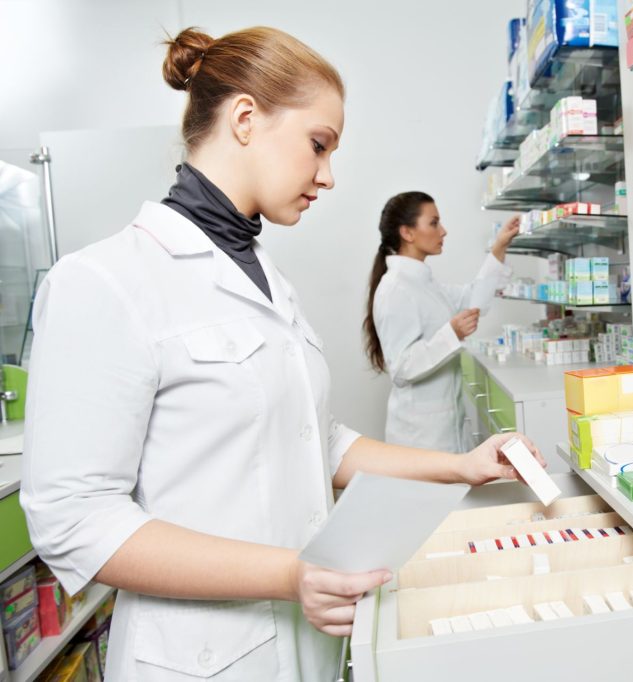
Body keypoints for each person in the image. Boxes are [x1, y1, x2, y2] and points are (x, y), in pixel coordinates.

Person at [20, 26, 543, 681]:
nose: (328, 176)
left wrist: (461, 466)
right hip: (202, 659)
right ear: (245, 118)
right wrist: (289, 573)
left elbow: (318, 441)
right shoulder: (105, 281)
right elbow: (74, 519)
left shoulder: (265, 279)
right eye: (318, 145)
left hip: (306, 647)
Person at [364, 193, 519, 452]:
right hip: (420, 434)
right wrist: (452, 334)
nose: (443, 231)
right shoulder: (395, 289)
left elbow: (473, 299)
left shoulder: (425, 284)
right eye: (434, 223)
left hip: (444, 426)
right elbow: (401, 369)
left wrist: (499, 247)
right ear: (408, 233)